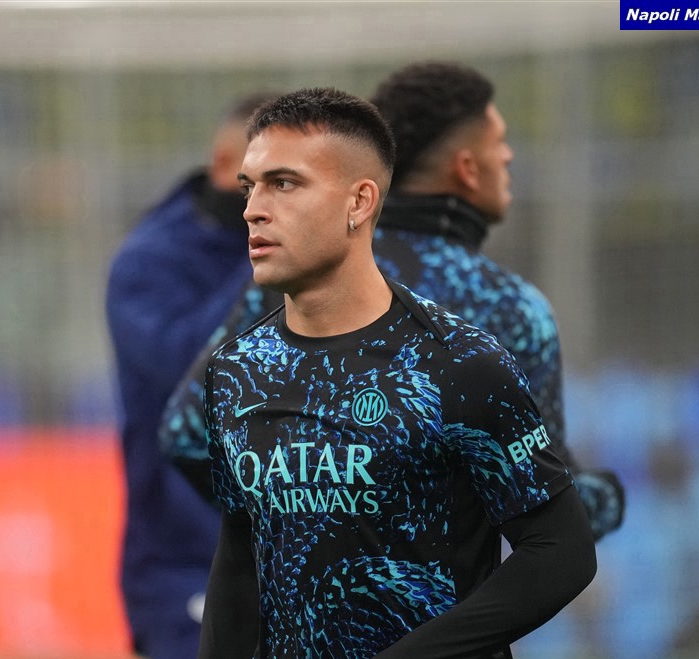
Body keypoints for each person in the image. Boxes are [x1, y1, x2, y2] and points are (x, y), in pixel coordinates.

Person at [199, 87, 596, 658]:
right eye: (249, 186)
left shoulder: (460, 363)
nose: (253, 209)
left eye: (283, 184)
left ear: (360, 202)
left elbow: (561, 551)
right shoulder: (236, 370)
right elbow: (239, 556)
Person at [161, 62, 624, 542]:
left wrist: (293, 524)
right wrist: (609, 498)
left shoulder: (303, 265)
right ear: (466, 169)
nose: (508, 156)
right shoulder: (508, 308)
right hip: (444, 590)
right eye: (499, 142)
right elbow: (551, 509)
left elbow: (187, 434)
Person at [104, 91, 276, 659]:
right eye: (273, 180)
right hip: (185, 561)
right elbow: (191, 369)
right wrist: (269, 267)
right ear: (227, 166)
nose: (284, 202)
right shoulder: (146, 262)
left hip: (292, 553)